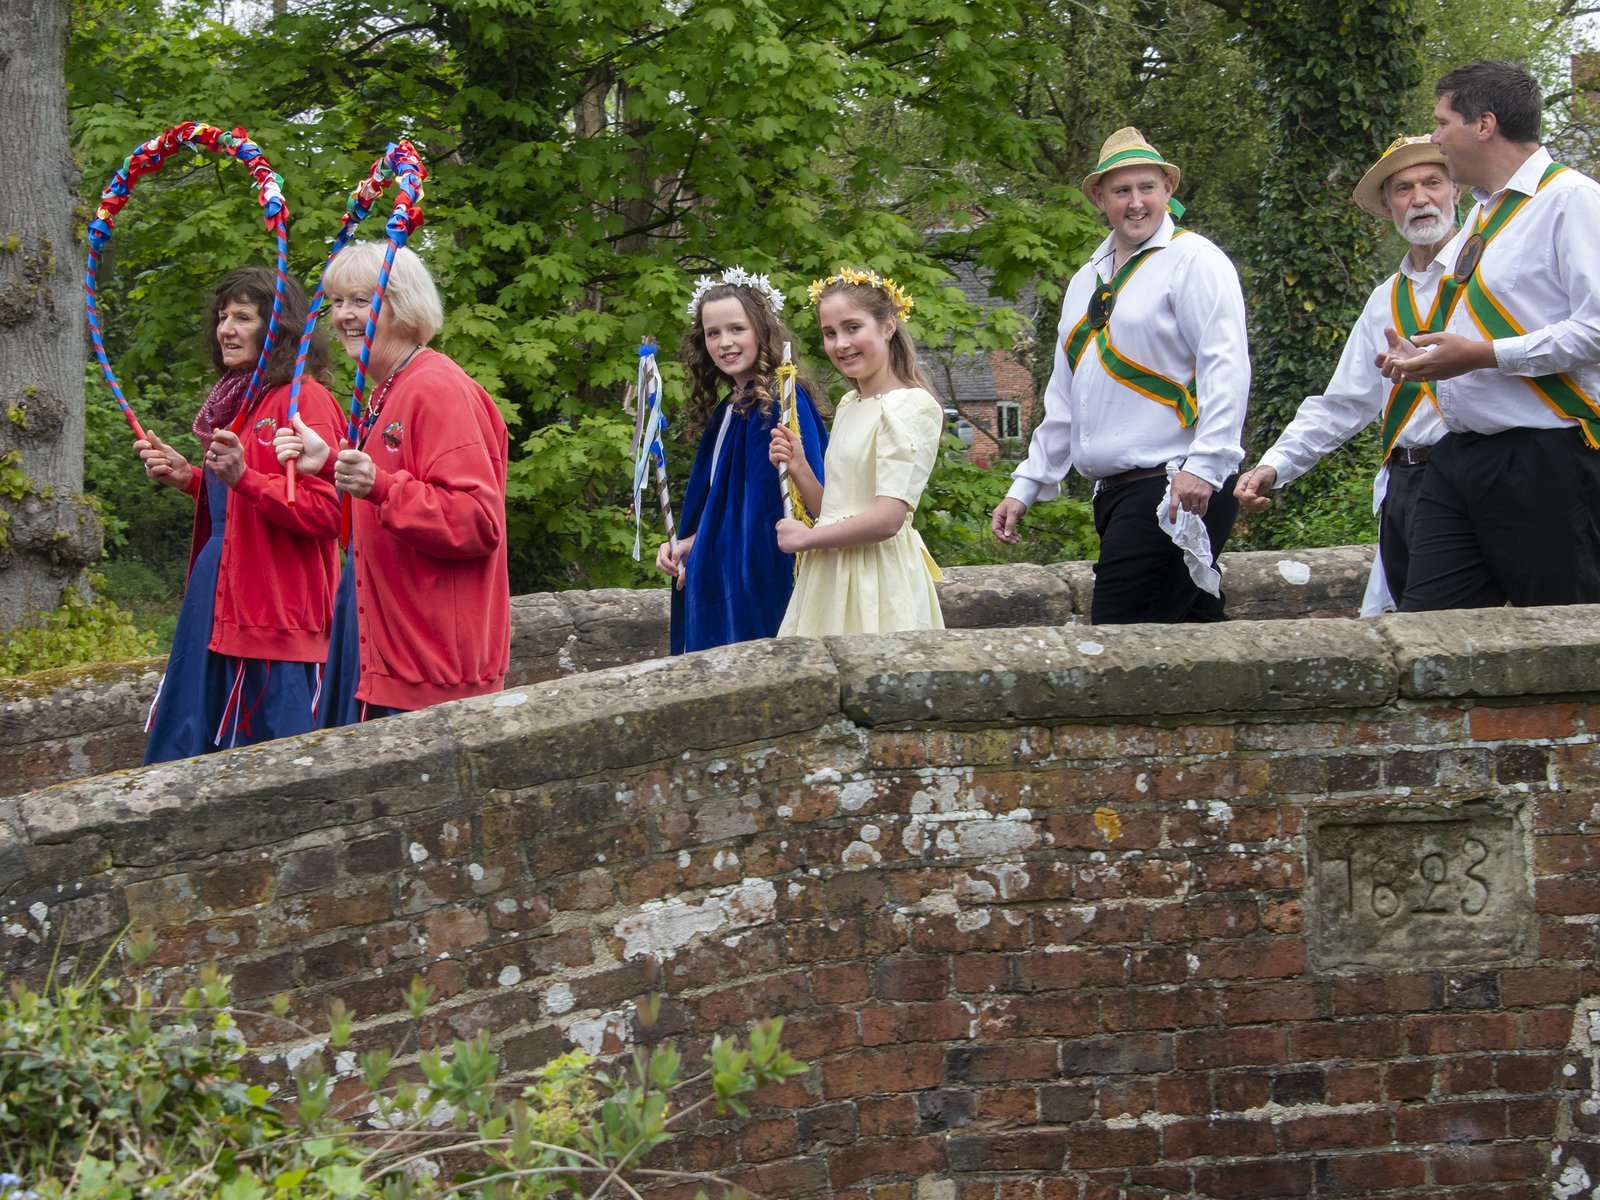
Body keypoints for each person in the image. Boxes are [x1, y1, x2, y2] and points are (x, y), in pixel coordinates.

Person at [990, 128, 1250, 624]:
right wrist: (1025, 485)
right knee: (1192, 645)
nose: (1136, 203)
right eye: (1121, 191)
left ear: (1168, 191)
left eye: (1147, 188)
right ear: (1099, 198)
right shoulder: (1087, 278)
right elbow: (1066, 396)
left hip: (1175, 485)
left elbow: (1226, 364)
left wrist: (1208, 463)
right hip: (1115, 495)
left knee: (1115, 644)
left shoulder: (1195, 260)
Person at [1378, 60, 1600, 610]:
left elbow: (1596, 330)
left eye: (1442, 122)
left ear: (1485, 124)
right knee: (1426, 637)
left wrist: (1483, 355)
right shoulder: (1480, 215)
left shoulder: (1574, 199)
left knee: (1562, 639)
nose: (1434, 138)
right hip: (1462, 458)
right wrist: (1425, 358)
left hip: (1549, 458)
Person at [274, 242, 510, 721]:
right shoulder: (388, 388)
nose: (344, 316)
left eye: (362, 300)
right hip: (381, 649)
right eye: (338, 302)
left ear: (402, 307)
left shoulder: (434, 387)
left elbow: (478, 521)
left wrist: (380, 486)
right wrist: (331, 460)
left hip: (429, 664)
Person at [1234, 136, 1457, 615]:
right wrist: (1274, 465)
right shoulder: (1384, 300)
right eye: (1403, 189)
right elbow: (1343, 405)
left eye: (1432, 183)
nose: (1419, 199)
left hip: (1473, 472)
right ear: (1389, 206)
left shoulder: (1487, 275)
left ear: (1456, 191)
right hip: (1403, 483)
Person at [136, 268, 344, 763]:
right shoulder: (244, 401)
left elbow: (329, 513)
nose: (226, 329)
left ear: (280, 328)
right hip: (220, 601)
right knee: (199, 759)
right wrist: (189, 477)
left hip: (278, 613)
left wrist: (244, 477)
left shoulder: (303, 399)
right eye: (223, 317)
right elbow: (238, 509)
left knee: (279, 762)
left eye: (243, 318)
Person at [657, 268, 829, 653]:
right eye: (713, 333)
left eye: (737, 329)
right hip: (723, 578)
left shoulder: (781, 404)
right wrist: (690, 543)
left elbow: (782, 511)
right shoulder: (729, 410)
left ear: (762, 331)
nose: (724, 343)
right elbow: (730, 508)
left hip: (760, 586)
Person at [769, 268, 945, 635]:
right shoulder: (850, 403)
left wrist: (807, 538)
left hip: (876, 580)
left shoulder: (910, 406)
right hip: (830, 575)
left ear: (888, 326)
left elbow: (886, 520)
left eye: (852, 327)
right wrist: (800, 466)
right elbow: (834, 512)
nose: (840, 344)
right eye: (830, 333)